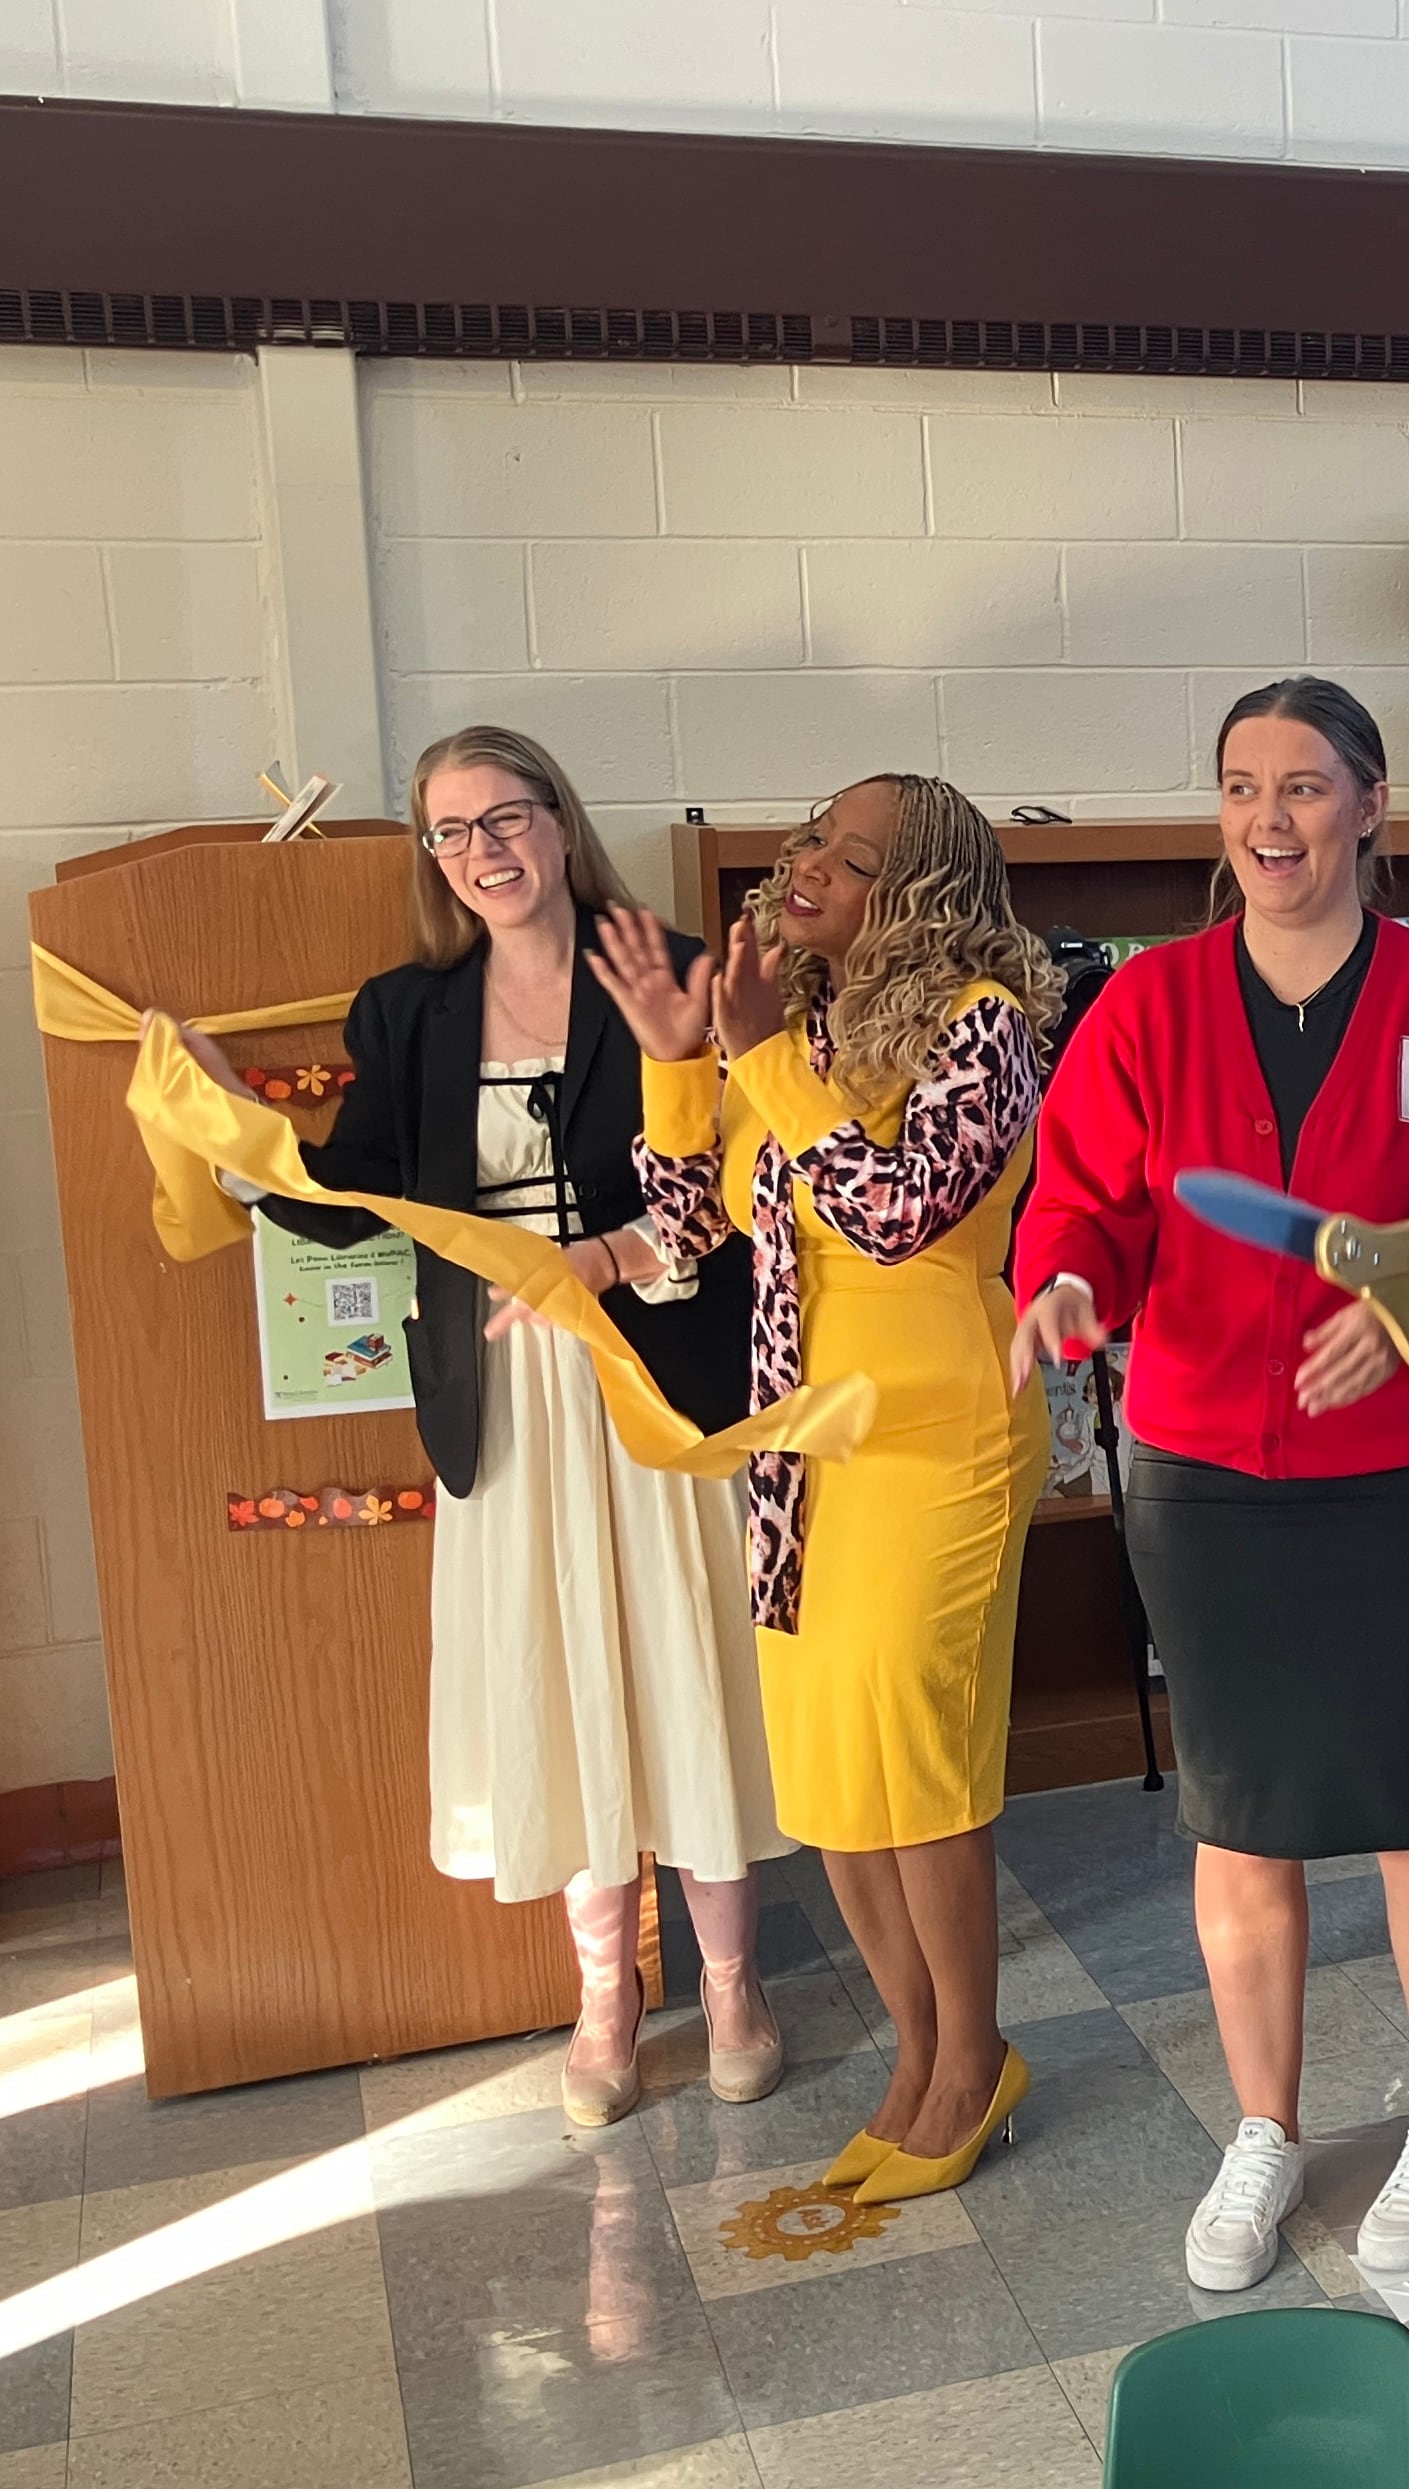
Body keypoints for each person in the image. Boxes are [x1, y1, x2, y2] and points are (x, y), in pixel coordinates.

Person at [1006, 678, 1409, 2291]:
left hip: (1404, 1462)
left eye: (1306, 786)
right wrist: (1059, 1286)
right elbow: (1086, 1201)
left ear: (1370, 806)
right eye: (1243, 785)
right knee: (1238, 1816)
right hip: (1198, 1461)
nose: (1271, 818)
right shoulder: (1147, 1003)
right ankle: (1263, 2127)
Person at [196, 726, 783, 2128]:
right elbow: (366, 1192)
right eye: (451, 833)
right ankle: (605, 1997)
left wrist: (621, 1258)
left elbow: (751, 1171)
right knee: (554, 1670)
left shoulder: (676, 968)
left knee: (683, 1660)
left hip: (652, 1372)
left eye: (505, 819)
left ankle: (735, 1983)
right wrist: (235, 1137)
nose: (483, 853)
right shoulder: (406, 1009)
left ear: (558, 822)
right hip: (501, 1395)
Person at [599, 774, 1062, 2206]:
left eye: (851, 861)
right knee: (835, 1779)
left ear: (915, 895)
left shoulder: (980, 1022)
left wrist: (760, 1066)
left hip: (938, 1430)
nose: (809, 869)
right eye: (809, 840)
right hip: (806, 1442)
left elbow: (896, 1205)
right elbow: (688, 1233)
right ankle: (919, 2051)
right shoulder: (785, 1029)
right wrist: (684, 1062)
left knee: (917, 1771)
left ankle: (973, 2060)